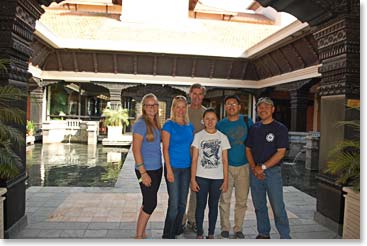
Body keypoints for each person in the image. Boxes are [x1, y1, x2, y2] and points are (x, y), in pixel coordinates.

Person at [245, 97, 291, 239]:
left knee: (277, 207)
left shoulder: (280, 129)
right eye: (260, 107)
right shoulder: (254, 128)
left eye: (266, 106)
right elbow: (248, 149)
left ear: (273, 109)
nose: (263, 109)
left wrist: (263, 167)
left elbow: (281, 152)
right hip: (255, 173)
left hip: (272, 172)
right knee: (259, 206)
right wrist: (254, 168)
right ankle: (263, 233)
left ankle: (285, 236)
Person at [217, 95, 253, 239]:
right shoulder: (220, 125)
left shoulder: (247, 121)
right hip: (225, 167)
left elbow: (254, 142)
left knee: (242, 200)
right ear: (225, 107)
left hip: (244, 166)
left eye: (234, 104)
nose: (231, 106)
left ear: (239, 107)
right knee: (224, 199)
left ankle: (239, 228)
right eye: (228, 104)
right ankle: (225, 227)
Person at [190, 108, 230, 239]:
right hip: (201, 177)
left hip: (217, 178)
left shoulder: (222, 137)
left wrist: (226, 181)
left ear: (217, 120)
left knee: (213, 206)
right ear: (203, 120)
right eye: (207, 118)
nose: (210, 121)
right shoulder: (198, 136)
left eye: (213, 119)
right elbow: (195, 159)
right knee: (200, 205)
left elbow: (225, 160)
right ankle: (200, 232)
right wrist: (193, 179)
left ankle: (211, 233)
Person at [162, 95, 195, 239]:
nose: (181, 110)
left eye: (183, 107)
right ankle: (167, 235)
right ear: (173, 108)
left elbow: (191, 148)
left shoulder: (190, 126)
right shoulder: (168, 125)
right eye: (178, 107)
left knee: (182, 204)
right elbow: (165, 149)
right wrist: (168, 169)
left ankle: (176, 230)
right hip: (173, 168)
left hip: (186, 168)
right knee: (174, 205)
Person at [132, 93, 163, 239]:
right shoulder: (140, 124)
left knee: (147, 201)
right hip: (145, 170)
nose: (152, 107)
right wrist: (143, 173)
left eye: (155, 104)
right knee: (151, 203)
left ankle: (141, 232)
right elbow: (135, 149)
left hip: (157, 169)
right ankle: (138, 236)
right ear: (144, 107)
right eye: (149, 105)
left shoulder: (156, 122)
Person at [184, 83, 206, 233]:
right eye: (194, 94)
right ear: (190, 94)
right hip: (182, 159)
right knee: (180, 193)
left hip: (199, 160)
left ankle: (192, 220)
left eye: (200, 94)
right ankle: (180, 220)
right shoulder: (182, 111)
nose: (197, 97)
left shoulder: (207, 113)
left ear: (203, 96)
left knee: (195, 192)